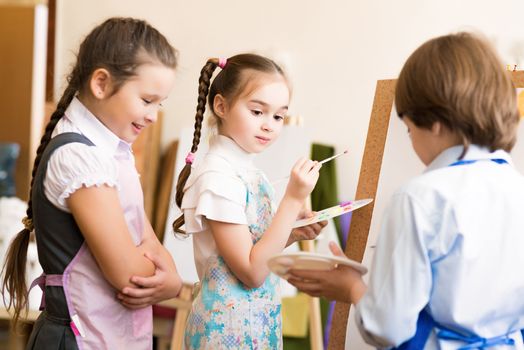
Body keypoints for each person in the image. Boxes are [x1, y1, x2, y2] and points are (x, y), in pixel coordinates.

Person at [288, 32, 524, 349]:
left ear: (436, 120)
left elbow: (387, 327)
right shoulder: (515, 185)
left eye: (409, 128)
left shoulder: (419, 197)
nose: (410, 140)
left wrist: (350, 287)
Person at [1, 17, 182, 349]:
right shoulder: (79, 158)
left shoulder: (112, 150)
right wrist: (166, 277)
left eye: (160, 103)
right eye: (146, 100)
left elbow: (145, 239)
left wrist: (170, 279)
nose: (154, 115)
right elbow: (129, 275)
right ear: (101, 83)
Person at [165, 53, 323, 349]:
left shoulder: (246, 171)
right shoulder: (218, 177)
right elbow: (251, 272)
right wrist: (292, 200)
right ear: (221, 106)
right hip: (224, 334)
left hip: (254, 327)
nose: (270, 125)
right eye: (257, 112)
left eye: (278, 116)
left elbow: (251, 250)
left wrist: (291, 232)